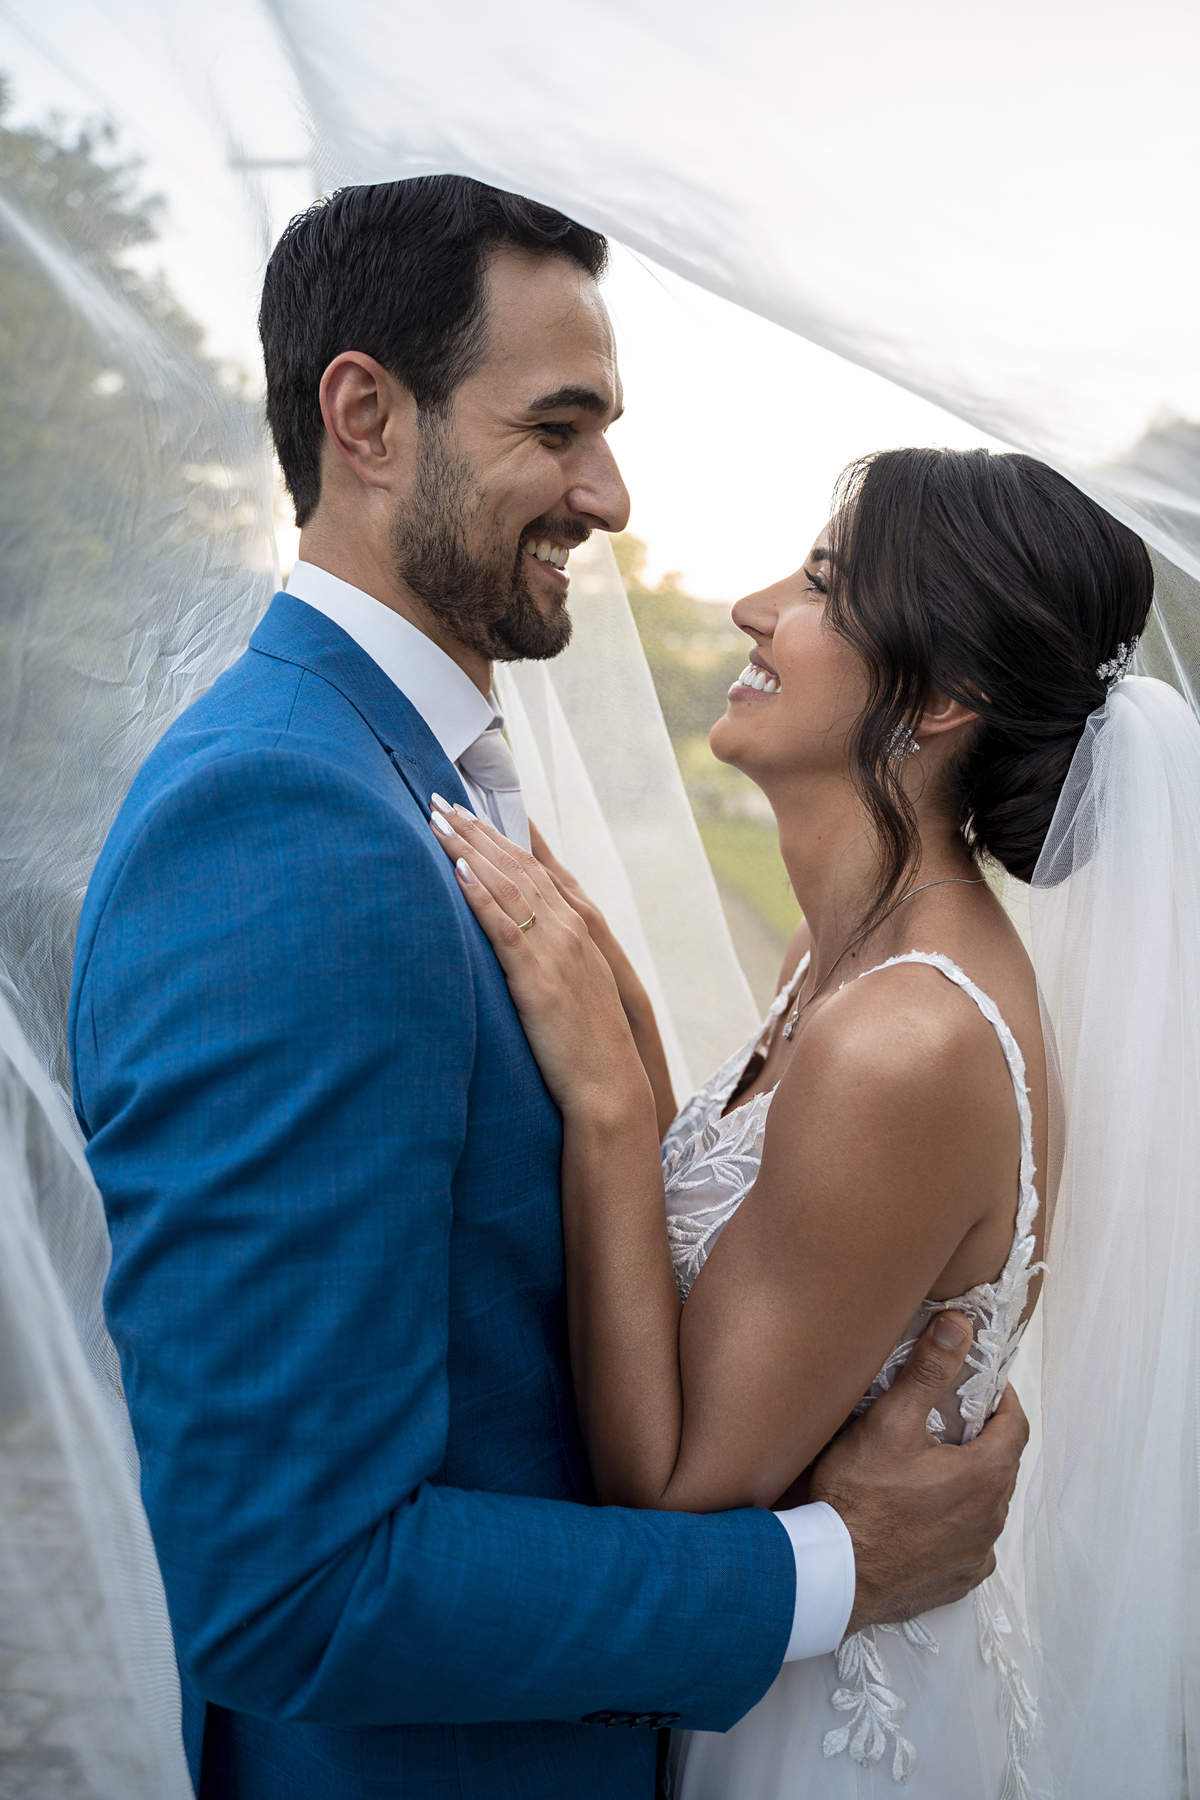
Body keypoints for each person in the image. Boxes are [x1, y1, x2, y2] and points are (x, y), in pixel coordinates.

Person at [68, 179, 1025, 1800]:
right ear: (367, 418)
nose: (609, 492)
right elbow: (290, 1585)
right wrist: (833, 1567)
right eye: (557, 427)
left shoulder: (418, 783)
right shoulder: (286, 823)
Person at [430, 444, 1156, 1797]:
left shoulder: (905, 1044)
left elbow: (675, 1493)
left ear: (939, 696)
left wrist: (607, 1102)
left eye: (821, 584)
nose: (754, 607)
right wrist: (627, 1015)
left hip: (822, 1733)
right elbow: (740, 1259)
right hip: (757, 1673)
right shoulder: (830, 966)